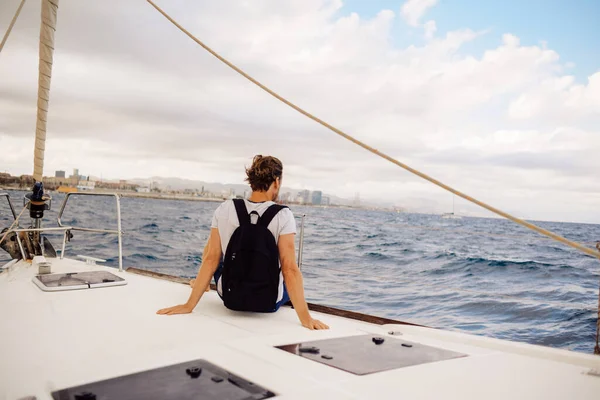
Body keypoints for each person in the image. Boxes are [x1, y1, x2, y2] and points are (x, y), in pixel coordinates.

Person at [157, 155, 329, 330]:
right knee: (289, 270)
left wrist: (189, 306)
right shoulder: (283, 215)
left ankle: (201, 284)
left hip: (231, 298)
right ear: (276, 181)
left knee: (212, 249)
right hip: (268, 302)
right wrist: (306, 318)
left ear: (251, 180)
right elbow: (289, 269)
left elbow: (211, 259)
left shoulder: (225, 208)